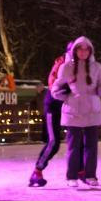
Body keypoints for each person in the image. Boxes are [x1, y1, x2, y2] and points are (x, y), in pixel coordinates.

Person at [51, 36, 101, 189]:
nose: (83, 52)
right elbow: (55, 88)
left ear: (90, 51)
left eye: (86, 49)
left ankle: (90, 175)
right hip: (73, 112)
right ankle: (71, 176)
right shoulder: (66, 67)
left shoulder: (97, 67)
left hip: (92, 110)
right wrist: (68, 97)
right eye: (80, 48)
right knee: (73, 146)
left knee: (91, 146)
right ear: (74, 50)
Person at [28, 48, 67, 187]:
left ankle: (79, 170)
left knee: (74, 140)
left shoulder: (76, 65)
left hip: (65, 108)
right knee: (53, 142)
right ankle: (37, 171)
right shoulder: (62, 64)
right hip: (53, 108)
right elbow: (53, 82)